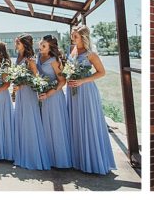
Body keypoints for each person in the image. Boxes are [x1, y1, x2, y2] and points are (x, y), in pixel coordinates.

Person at [67, 24, 117, 175]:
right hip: (72, 91)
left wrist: (82, 81)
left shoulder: (91, 54)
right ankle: (78, 159)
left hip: (86, 91)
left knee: (88, 122)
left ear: (83, 37)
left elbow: (102, 72)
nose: (72, 38)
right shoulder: (72, 50)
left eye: (75, 36)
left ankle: (92, 161)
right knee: (75, 122)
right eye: (72, 35)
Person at [13, 34, 52, 170]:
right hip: (20, 94)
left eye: (17, 43)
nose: (15, 45)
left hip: (29, 94)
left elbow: (36, 77)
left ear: (24, 44)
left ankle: (32, 156)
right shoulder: (18, 57)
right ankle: (21, 154)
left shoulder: (30, 59)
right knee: (21, 120)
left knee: (29, 121)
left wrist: (22, 84)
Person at [37, 35, 72, 169]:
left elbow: (62, 81)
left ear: (50, 47)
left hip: (54, 97)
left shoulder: (54, 60)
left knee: (55, 126)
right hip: (42, 95)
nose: (40, 47)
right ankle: (47, 157)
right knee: (44, 126)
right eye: (40, 44)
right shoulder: (38, 56)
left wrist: (48, 93)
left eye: (44, 46)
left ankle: (59, 160)